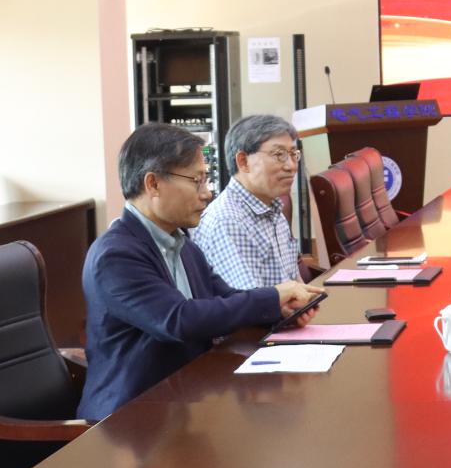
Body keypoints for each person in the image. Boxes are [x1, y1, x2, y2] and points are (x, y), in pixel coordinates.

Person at [79, 123, 318, 419]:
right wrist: (271, 297)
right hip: (131, 417)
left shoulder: (182, 242)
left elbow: (226, 297)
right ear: (153, 184)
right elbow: (179, 320)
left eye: (206, 180)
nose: (206, 194)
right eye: (197, 181)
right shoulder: (116, 255)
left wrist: (279, 309)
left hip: (186, 400)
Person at [195, 114, 303, 287]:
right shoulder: (228, 222)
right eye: (279, 154)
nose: (291, 166)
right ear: (243, 161)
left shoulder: (273, 209)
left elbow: (296, 283)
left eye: (293, 154)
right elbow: (251, 300)